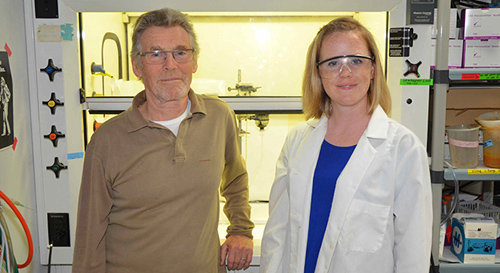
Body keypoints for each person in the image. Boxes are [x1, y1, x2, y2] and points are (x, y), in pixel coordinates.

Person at [73, 8, 254, 273]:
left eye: (180, 52)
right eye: (156, 54)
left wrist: (241, 229)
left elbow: (235, 179)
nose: (170, 64)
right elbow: (90, 237)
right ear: (137, 65)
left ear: (193, 62)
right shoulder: (107, 140)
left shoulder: (218, 117)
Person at [260, 17, 432, 273]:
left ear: (373, 69)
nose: (345, 73)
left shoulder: (403, 149)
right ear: (318, 73)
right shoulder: (297, 140)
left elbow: (413, 253)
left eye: (355, 60)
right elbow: (277, 233)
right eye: (332, 63)